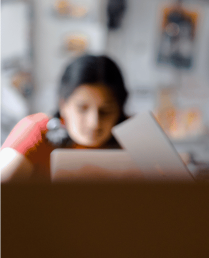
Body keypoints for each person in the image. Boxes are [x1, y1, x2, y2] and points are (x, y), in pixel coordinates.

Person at [0, 54, 129, 182]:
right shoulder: (37, 132)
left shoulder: (133, 139)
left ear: (120, 109)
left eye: (106, 111)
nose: (94, 123)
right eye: (82, 108)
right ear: (63, 105)